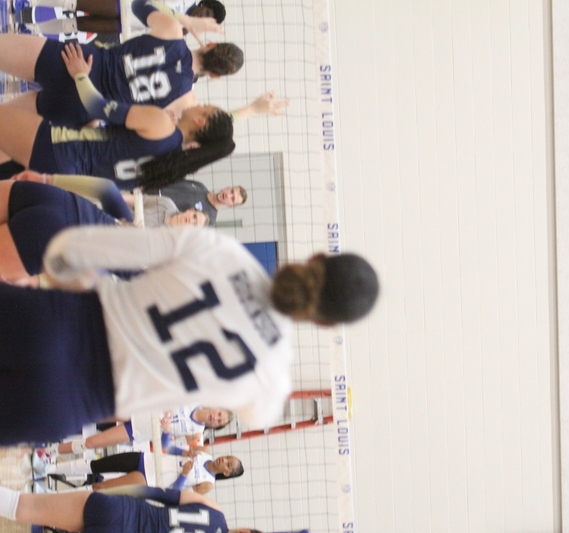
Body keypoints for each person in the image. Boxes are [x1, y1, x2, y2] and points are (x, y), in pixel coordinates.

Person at [0, 224, 379, 444]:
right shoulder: (271, 378)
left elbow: (69, 248)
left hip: (49, 322)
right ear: (325, 324)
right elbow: (258, 416)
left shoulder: (221, 250)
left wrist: (70, 282)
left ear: (315, 258)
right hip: (61, 404)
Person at [0, 43, 238, 190]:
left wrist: (80, 74)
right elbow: (111, 155)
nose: (199, 104)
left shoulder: (161, 123)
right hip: (61, 176)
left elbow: (96, 106)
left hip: (60, 147)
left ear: (200, 121)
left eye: (204, 107)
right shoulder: (167, 166)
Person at [2, 0, 240, 126]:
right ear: (215, 75)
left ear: (211, 44)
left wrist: (185, 20)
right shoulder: (186, 102)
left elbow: (138, 4)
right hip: (86, 106)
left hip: (80, 61)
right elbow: (210, 124)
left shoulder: (172, 30)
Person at [0, 178, 208, 285]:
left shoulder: (154, 254)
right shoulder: (156, 265)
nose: (189, 221)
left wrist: (49, 179)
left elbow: (107, 189)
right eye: (193, 217)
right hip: (60, 232)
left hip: (65, 202)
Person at [0, 484, 255, 533]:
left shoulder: (214, 510)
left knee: (23, 506)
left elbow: (154, 492)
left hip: (121, 511)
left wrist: (107, 493)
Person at [36, 447, 243, 494]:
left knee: (100, 487)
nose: (224, 460)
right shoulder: (204, 452)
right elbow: (168, 448)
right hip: (145, 459)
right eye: (227, 457)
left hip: (148, 479)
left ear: (226, 473)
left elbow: (175, 493)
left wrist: (184, 474)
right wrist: (184, 451)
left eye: (228, 465)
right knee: (97, 465)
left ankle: (52, 495)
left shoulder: (208, 484)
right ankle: (49, 468)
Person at [43, 406, 232, 457]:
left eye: (219, 422)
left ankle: (48, 452)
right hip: (138, 408)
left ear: (216, 427)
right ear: (217, 408)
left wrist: (166, 432)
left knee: (91, 443)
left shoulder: (195, 433)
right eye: (219, 414)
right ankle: (45, 424)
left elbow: (165, 446)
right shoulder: (193, 398)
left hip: (138, 429)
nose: (215, 418)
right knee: (89, 414)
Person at [21, 0, 226, 38]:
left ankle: (33, 30)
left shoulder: (183, 30)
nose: (202, 17)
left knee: (77, 25)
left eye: (208, 20)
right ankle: (31, 2)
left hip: (130, 25)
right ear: (203, 4)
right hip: (128, 3)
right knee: (75, 4)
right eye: (207, 13)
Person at [155, 180, 246, 225]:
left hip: (155, 216)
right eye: (231, 192)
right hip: (151, 191)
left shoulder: (209, 220)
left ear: (230, 205)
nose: (228, 195)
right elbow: (174, 181)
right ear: (228, 188)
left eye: (232, 198)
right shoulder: (200, 186)